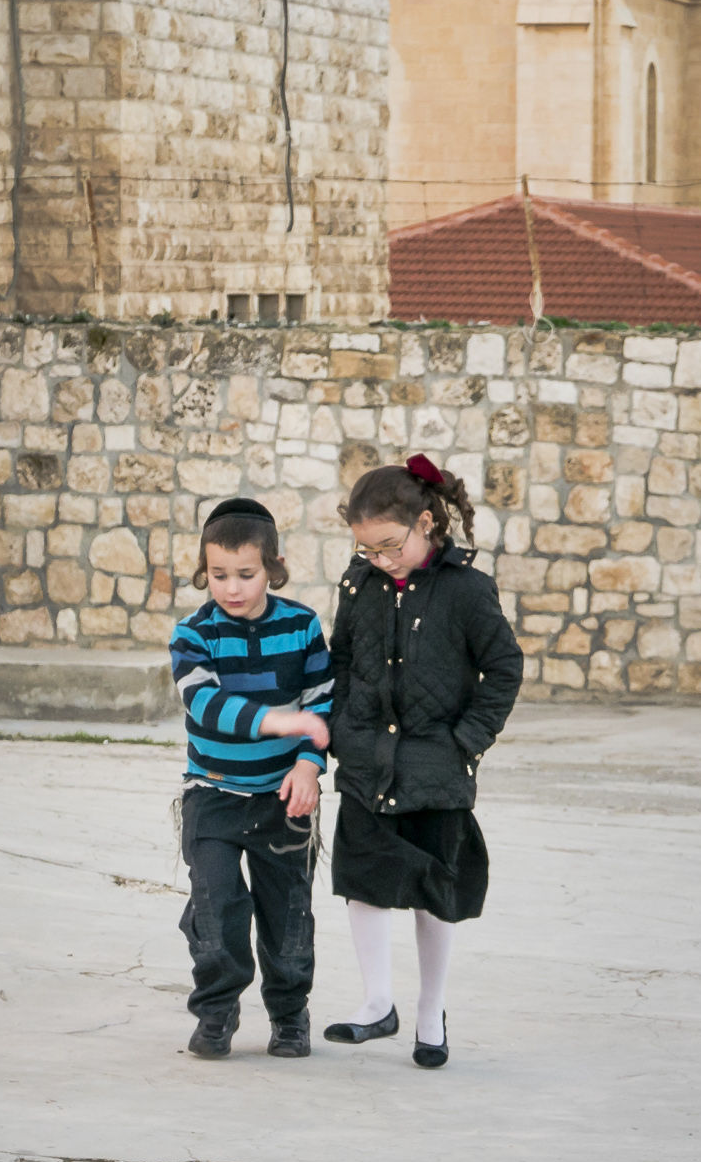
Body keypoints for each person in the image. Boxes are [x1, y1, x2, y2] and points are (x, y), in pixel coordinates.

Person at [321, 456, 522, 1068]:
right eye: (367, 548)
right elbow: (342, 661)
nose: (380, 559)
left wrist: (467, 741)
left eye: (389, 546)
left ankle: (430, 1009)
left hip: (437, 768)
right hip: (365, 760)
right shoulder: (359, 584)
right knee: (364, 880)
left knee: (437, 890)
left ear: (427, 523)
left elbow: (504, 668)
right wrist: (338, 732)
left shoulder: (466, 589)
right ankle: (377, 1000)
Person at [169, 497, 334, 1060]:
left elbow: (323, 699)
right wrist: (276, 720)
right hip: (212, 794)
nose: (232, 588)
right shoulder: (193, 634)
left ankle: (290, 1016)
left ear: (274, 567)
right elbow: (204, 704)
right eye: (219, 575)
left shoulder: (302, 625)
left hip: (283, 797)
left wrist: (310, 764)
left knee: (288, 913)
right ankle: (216, 1012)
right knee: (216, 907)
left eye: (246, 574)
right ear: (204, 569)